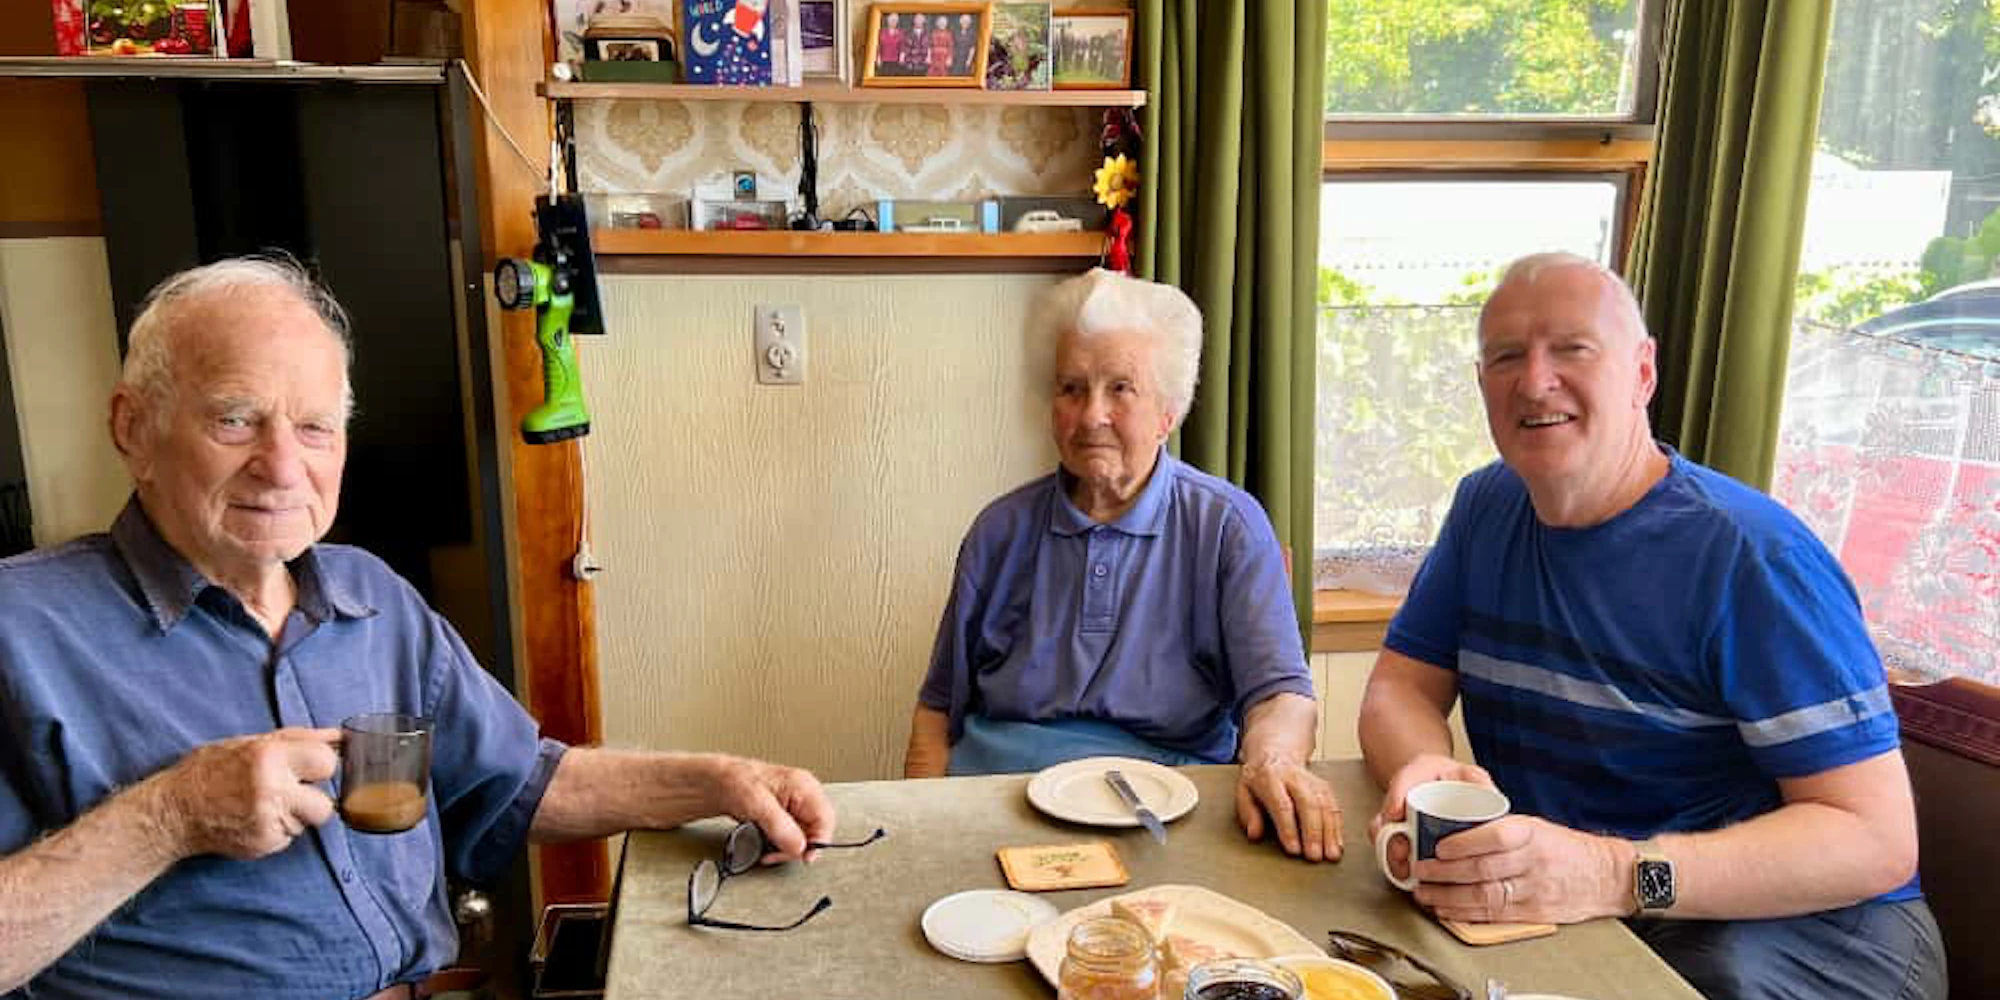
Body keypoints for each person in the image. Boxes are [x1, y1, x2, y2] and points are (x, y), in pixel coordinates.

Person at [0, 257, 838, 999]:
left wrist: (721, 781)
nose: (284, 465)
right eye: (235, 419)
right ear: (132, 428)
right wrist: (170, 815)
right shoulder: (23, 627)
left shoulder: (373, 597)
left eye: (315, 426)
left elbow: (519, 783)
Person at [1358, 252, 1946, 1000]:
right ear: (1482, 384)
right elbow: (1399, 688)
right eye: (1507, 356)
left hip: (1819, 936)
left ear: (1642, 373)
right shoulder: (1485, 508)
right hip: (1599, 913)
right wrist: (1425, 768)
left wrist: (1614, 875)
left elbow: (1875, 841)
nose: (1535, 381)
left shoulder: (1753, 557)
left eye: (1572, 349)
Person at [904, 268, 1342, 862]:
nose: (1091, 416)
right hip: (996, 807)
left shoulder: (1227, 527)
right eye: (1072, 388)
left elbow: (1280, 696)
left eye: (1120, 389)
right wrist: (916, 837)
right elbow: (937, 711)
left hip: (1165, 819)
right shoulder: (999, 531)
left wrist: (1274, 759)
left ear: (1169, 412)